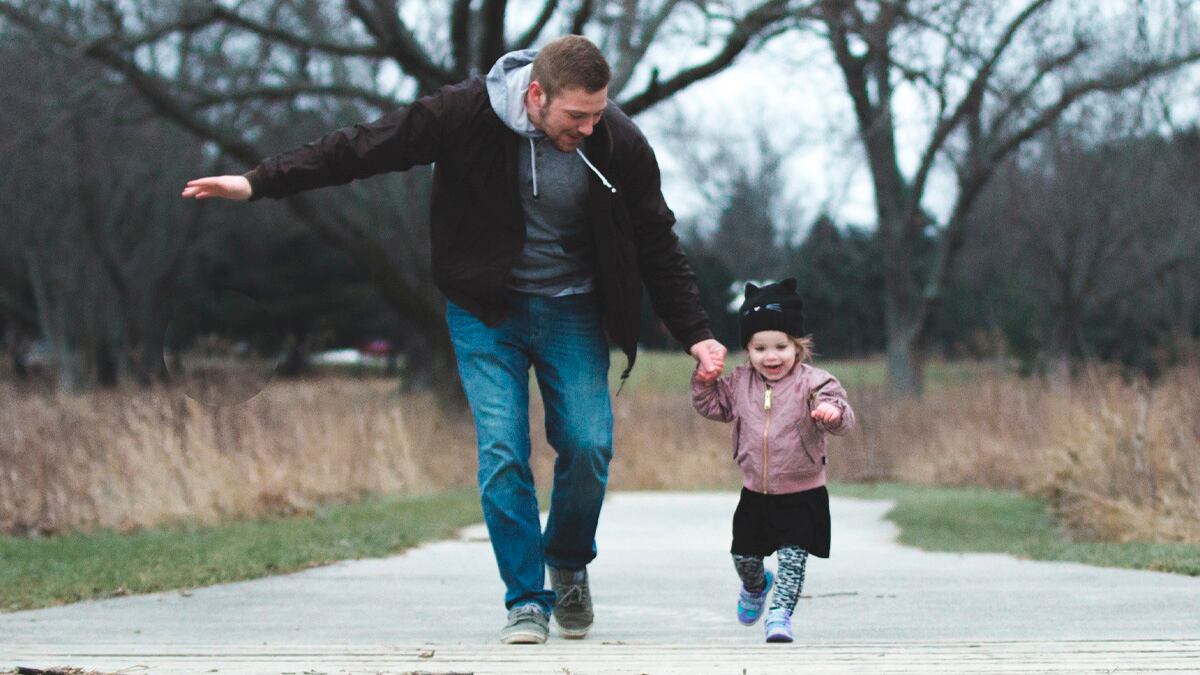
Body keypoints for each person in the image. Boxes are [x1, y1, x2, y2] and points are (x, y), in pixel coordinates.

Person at [181, 35, 727, 644]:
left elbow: (656, 239)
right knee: (502, 452)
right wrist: (258, 182)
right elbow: (364, 147)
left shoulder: (617, 141)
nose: (589, 127)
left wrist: (696, 335)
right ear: (536, 94)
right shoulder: (464, 112)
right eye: (577, 116)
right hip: (484, 308)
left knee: (589, 445)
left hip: (571, 308)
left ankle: (569, 559)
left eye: (598, 112)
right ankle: (526, 599)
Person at [691, 278, 855, 642]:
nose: (771, 356)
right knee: (744, 559)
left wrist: (832, 411)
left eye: (781, 346)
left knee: (794, 562)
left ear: (798, 346)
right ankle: (755, 586)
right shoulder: (738, 383)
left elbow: (844, 414)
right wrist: (703, 382)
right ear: (747, 351)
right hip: (755, 493)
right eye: (759, 348)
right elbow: (711, 406)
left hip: (803, 493)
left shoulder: (815, 383)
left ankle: (780, 617)